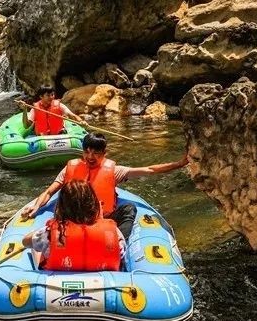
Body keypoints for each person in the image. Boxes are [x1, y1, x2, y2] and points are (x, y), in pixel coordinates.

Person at [20, 132, 188, 239]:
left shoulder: (114, 171)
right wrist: (36, 207)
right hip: (72, 218)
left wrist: (179, 164)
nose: (90, 157)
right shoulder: (70, 168)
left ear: (104, 153)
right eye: (87, 152)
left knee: (129, 208)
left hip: (101, 218)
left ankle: (120, 241)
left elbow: (149, 170)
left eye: (96, 153)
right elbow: (49, 192)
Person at [22, 180, 123, 271]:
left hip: (57, 279)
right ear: (94, 205)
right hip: (103, 280)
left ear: (61, 207)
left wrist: (45, 229)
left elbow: (25, 242)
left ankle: (39, 271)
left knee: (36, 246)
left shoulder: (52, 232)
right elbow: (121, 253)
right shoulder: (112, 231)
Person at [19, 84, 85, 136]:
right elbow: (26, 126)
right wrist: (24, 110)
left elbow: (72, 115)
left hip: (59, 136)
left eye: (52, 94)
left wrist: (81, 121)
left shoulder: (59, 105)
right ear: (41, 96)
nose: (51, 97)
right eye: (48, 95)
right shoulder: (35, 108)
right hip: (42, 139)